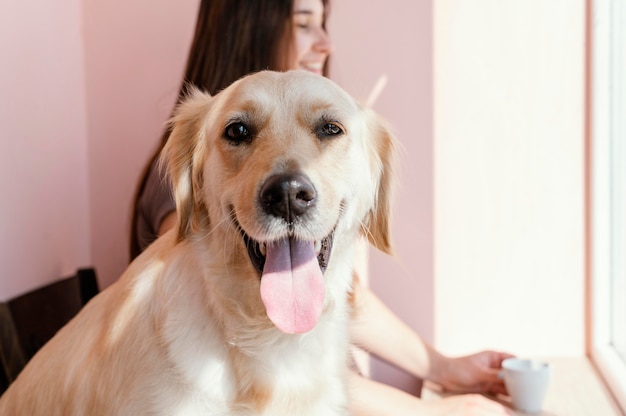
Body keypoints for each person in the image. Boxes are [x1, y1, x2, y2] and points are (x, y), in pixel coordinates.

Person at [130, 0, 514, 414]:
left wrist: (445, 368)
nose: (325, 43)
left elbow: (343, 297)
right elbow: (248, 370)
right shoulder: (198, 173)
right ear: (252, 25)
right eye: (304, 23)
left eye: (327, 130)